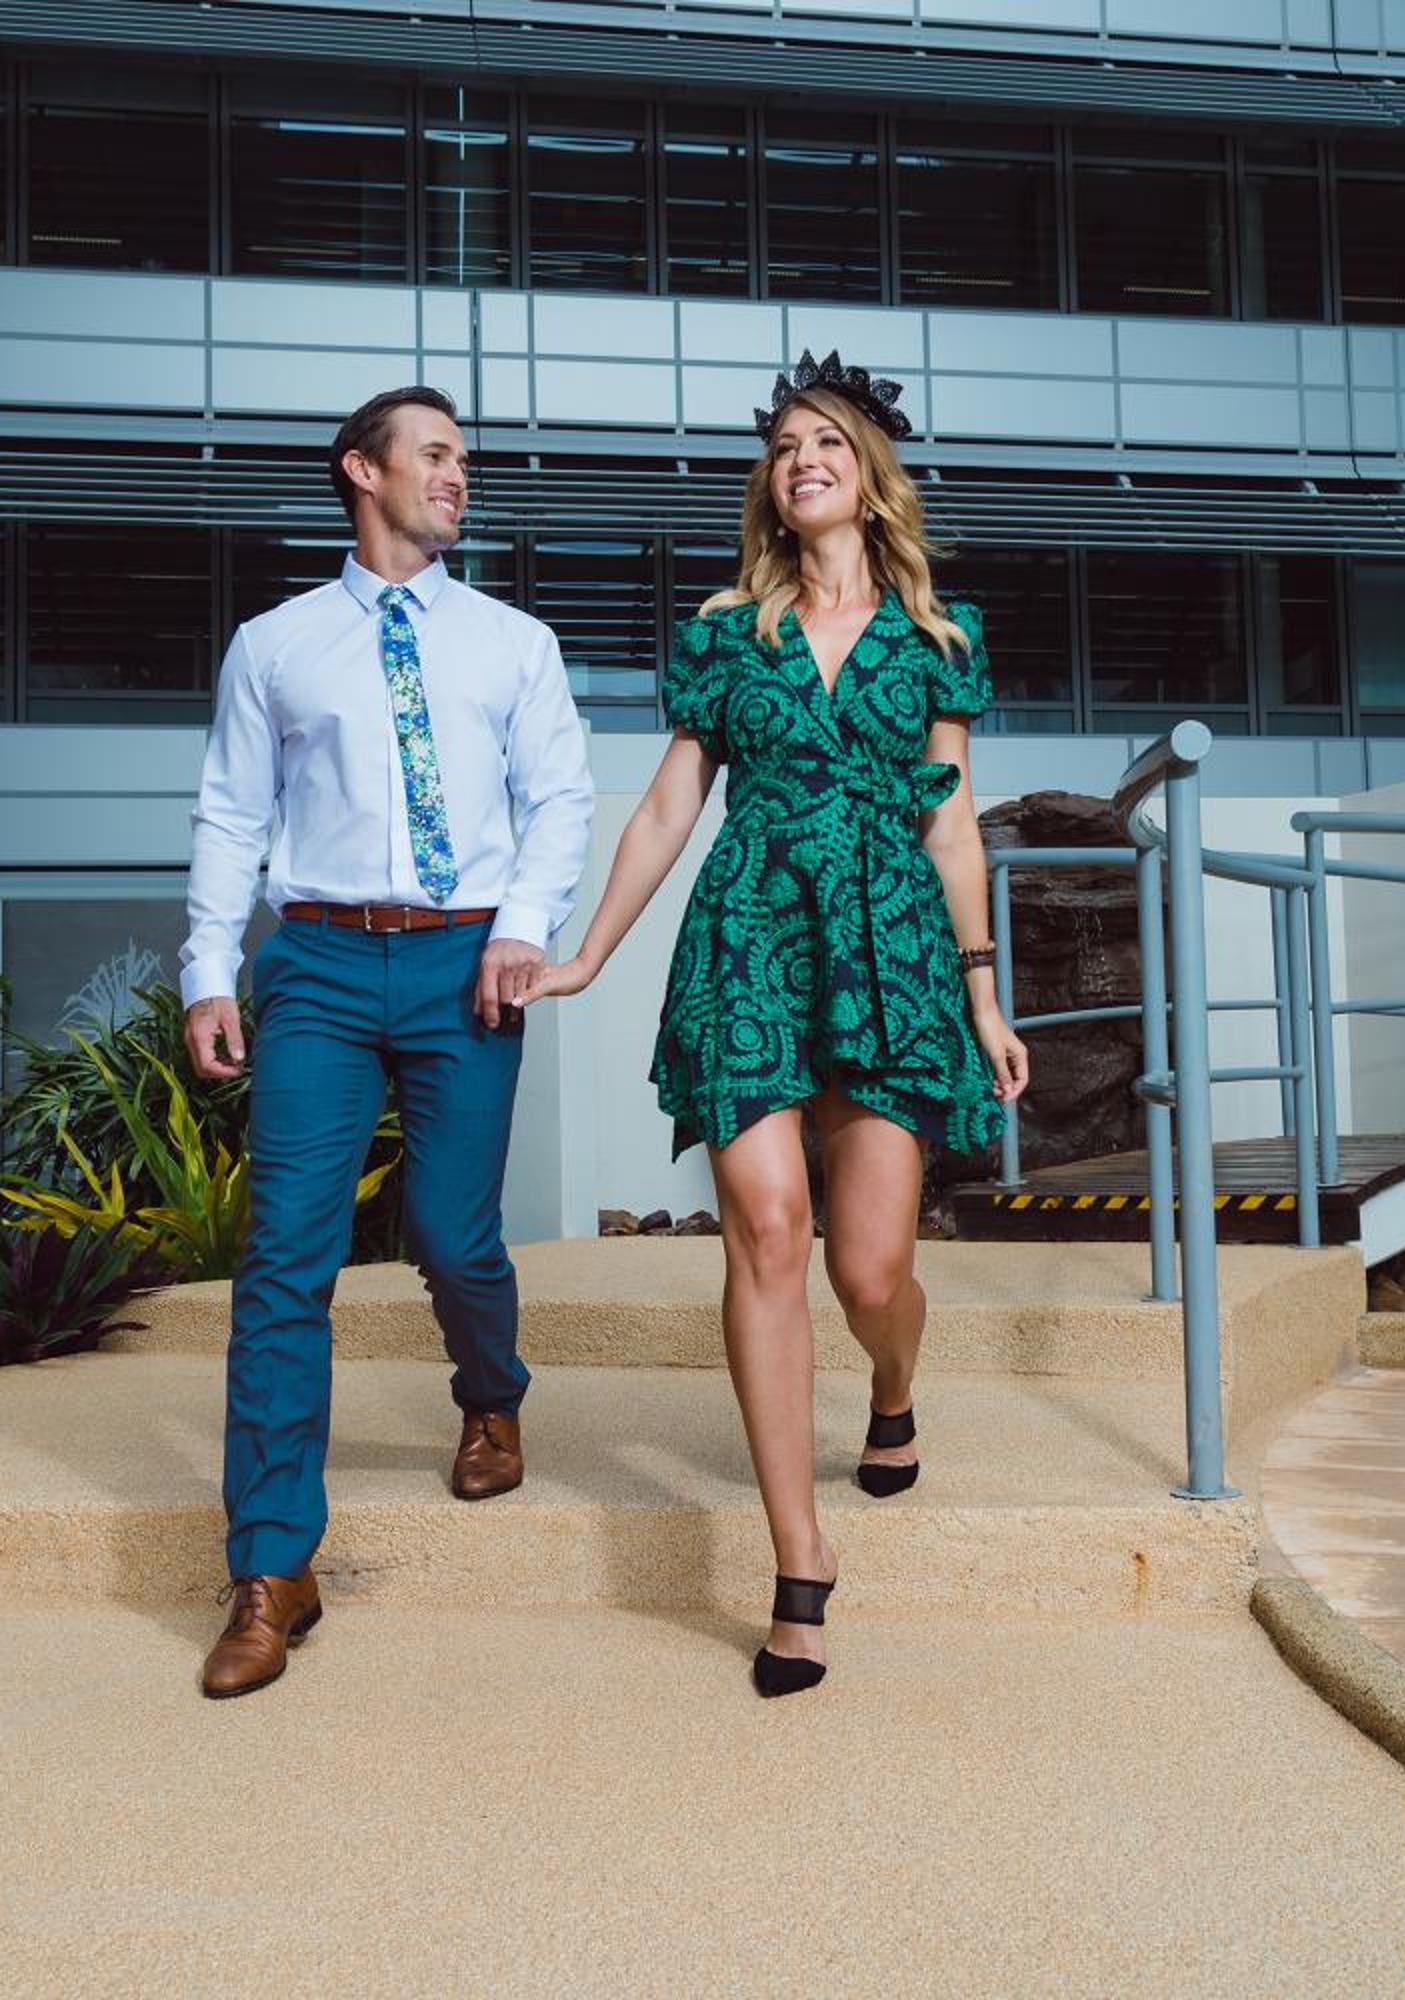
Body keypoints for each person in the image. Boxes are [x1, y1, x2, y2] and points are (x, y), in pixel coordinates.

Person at [526, 352, 1028, 1698]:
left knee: (869, 1273)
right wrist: (587, 953)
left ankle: (891, 1387)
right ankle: (799, 1564)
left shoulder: (939, 639)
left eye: (828, 443)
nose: (803, 460)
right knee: (765, 1229)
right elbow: (667, 808)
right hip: (750, 938)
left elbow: (951, 824)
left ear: (870, 478)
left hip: (892, 951)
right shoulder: (724, 635)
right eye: (786, 446)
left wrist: (983, 992)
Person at [180, 384, 595, 1699]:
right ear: (363, 471)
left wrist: (522, 930)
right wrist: (208, 969)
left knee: (452, 1234)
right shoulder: (276, 645)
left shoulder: (514, 644)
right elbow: (231, 813)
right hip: (317, 962)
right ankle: (271, 1570)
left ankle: (492, 1390)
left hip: (467, 960)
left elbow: (561, 798)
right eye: (436, 455)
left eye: (463, 458)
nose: (458, 475)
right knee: (283, 1257)